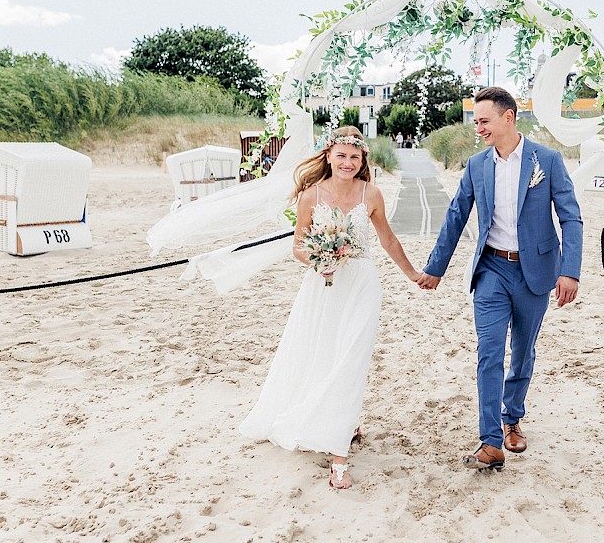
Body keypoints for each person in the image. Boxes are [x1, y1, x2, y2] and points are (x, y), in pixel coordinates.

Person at [240, 126, 422, 489]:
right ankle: (344, 420)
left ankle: (339, 456)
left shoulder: (371, 194)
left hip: (362, 285)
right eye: (341, 155)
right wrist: (316, 258)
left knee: (352, 358)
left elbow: (386, 238)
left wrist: (412, 273)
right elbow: (297, 246)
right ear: (328, 156)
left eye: (355, 157)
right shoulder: (311, 195)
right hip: (323, 287)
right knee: (325, 354)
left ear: (362, 160)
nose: (348, 162)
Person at [417, 86, 582, 471]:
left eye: (485, 121)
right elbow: (456, 216)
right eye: (476, 122)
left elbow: (570, 217)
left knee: (522, 351)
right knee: (489, 352)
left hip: (535, 272)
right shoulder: (476, 166)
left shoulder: (549, 160)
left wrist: (569, 270)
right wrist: (434, 269)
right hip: (491, 269)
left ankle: (512, 418)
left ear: (509, 118)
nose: (479, 128)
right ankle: (491, 441)